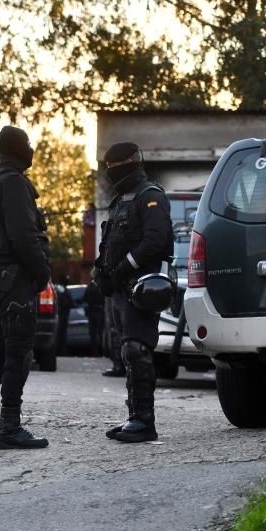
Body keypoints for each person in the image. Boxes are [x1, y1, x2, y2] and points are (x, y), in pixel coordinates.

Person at [0, 125, 50, 450]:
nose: (31, 150)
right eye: (28, 145)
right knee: (18, 355)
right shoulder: (13, 182)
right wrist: (42, 271)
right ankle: (10, 426)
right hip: (15, 279)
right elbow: (22, 236)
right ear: (18, 149)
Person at [94, 142, 173, 443]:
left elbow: (156, 240)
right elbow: (110, 242)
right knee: (127, 352)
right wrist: (102, 271)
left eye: (112, 168)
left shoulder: (149, 196)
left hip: (142, 287)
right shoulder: (120, 201)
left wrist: (124, 268)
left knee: (137, 350)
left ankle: (144, 421)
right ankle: (134, 417)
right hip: (119, 291)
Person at [83, 272, 106, 357]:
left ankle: (96, 352)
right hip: (98, 311)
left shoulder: (91, 287)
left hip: (95, 311)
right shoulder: (99, 286)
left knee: (96, 333)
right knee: (98, 333)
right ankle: (98, 352)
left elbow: (84, 298)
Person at [102, 295, 126, 376]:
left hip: (119, 292)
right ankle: (119, 365)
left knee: (118, 328)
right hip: (116, 292)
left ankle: (120, 366)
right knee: (116, 329)